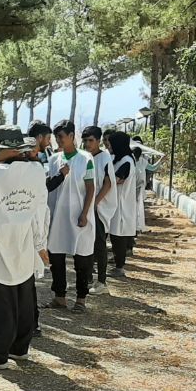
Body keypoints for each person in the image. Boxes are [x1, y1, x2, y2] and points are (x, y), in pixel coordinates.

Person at [0, 126, 49, 369]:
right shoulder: (36, 170)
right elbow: (41, 210)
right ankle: (19, 349)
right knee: (23, 295)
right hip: (24, 240)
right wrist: (41, 244)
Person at [45, 119, 95, 312]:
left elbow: (90, 187)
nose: (58, 140)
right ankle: (60, 297)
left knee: (81, 258)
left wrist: (85, 212)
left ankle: (81, 299)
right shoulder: (54, 160)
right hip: (57, 215)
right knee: (56, 258)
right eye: (56, 137)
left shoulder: (85, 159)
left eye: (61, 137)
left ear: (72, 136)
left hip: (78, 215)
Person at [82, 125, 116, 296]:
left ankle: (102, 281)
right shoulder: (84, 157)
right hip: (85, 206)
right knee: (86, 243)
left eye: (91, 140)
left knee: (99, 244)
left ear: (98, 140)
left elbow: (108, 183)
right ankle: (87, 277)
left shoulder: (104, 158)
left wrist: (95, 203)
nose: (88, 144)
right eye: (85, 140)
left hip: (98, 207)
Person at [106, 131, 139, 276]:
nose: (109, 146)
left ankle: (120, 267)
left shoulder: (126, 161)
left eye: (111, 143)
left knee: (118, 236)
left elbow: (117, 179)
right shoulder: (119, 159)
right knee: (115, 235)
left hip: (122, 204)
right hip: (116, 203)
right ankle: (118, 262)